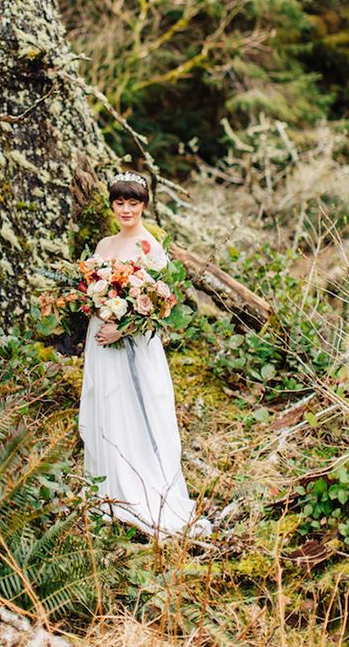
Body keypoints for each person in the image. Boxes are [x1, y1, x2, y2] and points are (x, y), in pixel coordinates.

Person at [78, 171, 212, 539]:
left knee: (139, 406)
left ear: (144, 205)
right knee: (107, 402)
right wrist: (97, 310)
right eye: (119, 202)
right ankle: (109, 490)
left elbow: (158, 304)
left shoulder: (150, 247)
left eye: (133, 202)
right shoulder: (104, 246)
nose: (126, 209)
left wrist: (121, 327)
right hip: (101, 336)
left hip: (132, 341)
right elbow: (92, 289)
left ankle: (144, 488)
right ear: (112, 205)